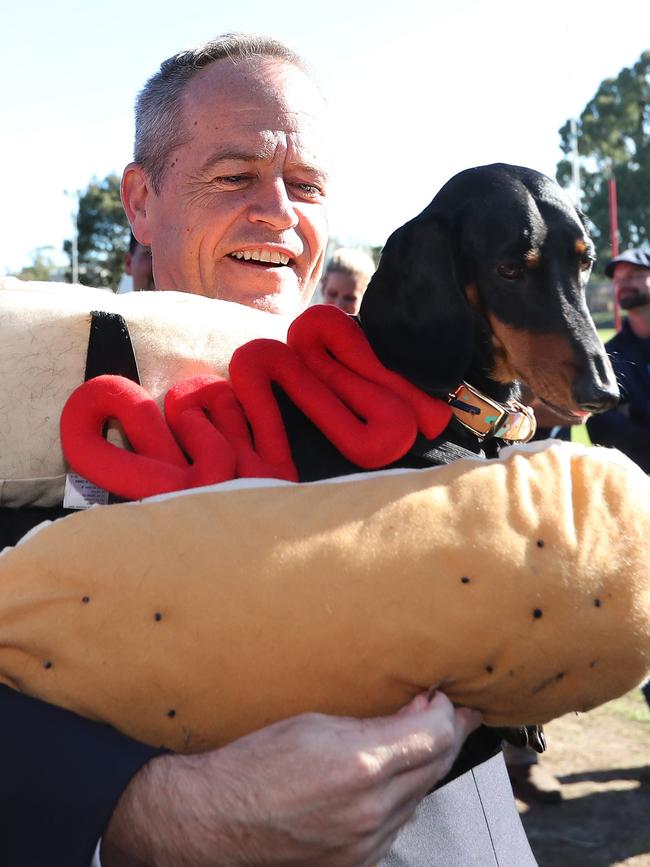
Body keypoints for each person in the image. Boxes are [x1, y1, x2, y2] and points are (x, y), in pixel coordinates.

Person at [1, 34, 537, 867]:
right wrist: (143, 808)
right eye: (235, 175)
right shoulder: (32, 413)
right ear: (140, 200)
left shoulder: (426, 403)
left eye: (306, 185)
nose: (280, 212)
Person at [587, 248, 650, 474]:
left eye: (633, 275)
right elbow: (601, 430)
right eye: (618, 279)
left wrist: (634, 410)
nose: (623, 284)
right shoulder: (609, 355)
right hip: (634, 485)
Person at [320, 246, 375, 314]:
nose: (339, 305)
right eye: (333, 294)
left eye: (349, 298)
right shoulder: (306, 322)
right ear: (323, 289)